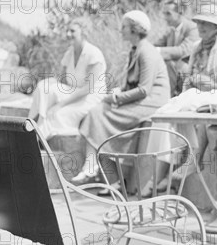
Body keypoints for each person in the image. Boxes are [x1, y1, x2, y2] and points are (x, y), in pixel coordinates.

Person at [141, 4, 217, 197]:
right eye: (199, 23)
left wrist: (207, 82)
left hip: (214, 97)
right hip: (193, 95)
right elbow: (188, 79)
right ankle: (162, 171)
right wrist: (189, 85)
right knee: (164, 112)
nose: (201, 27)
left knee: (179, 109)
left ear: (216, 27)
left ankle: (187, 162)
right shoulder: (196, 47)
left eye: (206, 24)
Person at [72, 10, 170, 184]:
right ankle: (109, 177)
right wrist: (117, 92)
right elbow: (131, 84)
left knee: (98, 114)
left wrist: (116, 99)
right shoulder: (136, 50)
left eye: (124, 26)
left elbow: (144, 90)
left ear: (134, 29)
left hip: (151, 103)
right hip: (141, 101)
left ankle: (96, 170)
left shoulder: (147, 52)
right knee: (97, 112)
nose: (120, 30)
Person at [28, 18, 107, 139]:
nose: (68, 34)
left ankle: (37, 139)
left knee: (57, 114)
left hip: (90, 97)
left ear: (83, 32)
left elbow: (88, 89)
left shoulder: (93, 54)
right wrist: (46, 85)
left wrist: (60, 104)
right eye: (67, 31)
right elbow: (62, 80)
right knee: (43, 87)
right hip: (73, 91)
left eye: (72, 31)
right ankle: (33, 122)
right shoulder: (70, 53)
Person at [154, 0, 199, 96]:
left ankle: (167, 96)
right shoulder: (171, 30)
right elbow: (157, 44)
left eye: (168, 14)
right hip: (175, 68)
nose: (165, 17)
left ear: (180, 13)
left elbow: (183, 50)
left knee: (168, 63)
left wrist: (157, 51)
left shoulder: (192, 28)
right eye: (164, 13)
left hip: (190, 69)